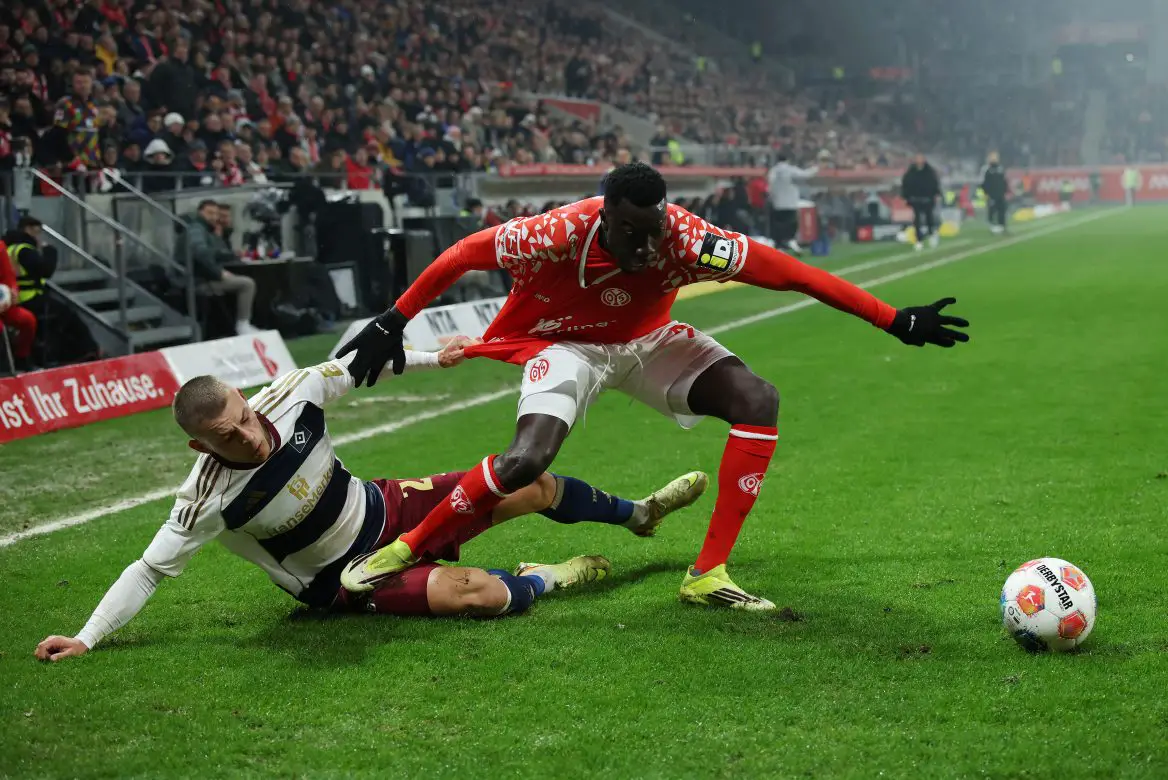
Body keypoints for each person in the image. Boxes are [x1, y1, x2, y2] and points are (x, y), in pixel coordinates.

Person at [335, 162, 971, 610]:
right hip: (570, 345)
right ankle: (405, 548)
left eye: (654, 230)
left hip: (647, 344)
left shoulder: (691, 240)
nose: (646, 247)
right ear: (604, 213)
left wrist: (893, 320)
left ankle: (707, 573)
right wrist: (394, 319)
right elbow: (463, 253)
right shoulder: (559, 231)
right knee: (527, 459)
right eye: (632, 232)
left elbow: (794, 274)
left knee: (758, 400)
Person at [34, 339, 706, 661]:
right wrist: (88, 637)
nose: (247, 433)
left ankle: (640, 515)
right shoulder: (208, 497)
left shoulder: (288, 395)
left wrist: (428, 358)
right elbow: (149, 569)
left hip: (388, 506)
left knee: (527, 482)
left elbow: (355, 367)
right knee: (482, 595)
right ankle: (545, 577)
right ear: (199, 448)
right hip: (342, 578)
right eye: (226, 435)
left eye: (242, 415)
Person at [4, 216, 101, 366]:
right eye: (36, 232)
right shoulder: (24, 250)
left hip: (20, 297)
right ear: (28, 229)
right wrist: (50, 251)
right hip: (30, 297)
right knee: (67, 315)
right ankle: (87, 351)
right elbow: (45, 270)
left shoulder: (10, 249)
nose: (38, 237)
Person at [184, 199, 258, 334]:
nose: (213, 217)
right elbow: (201, 254)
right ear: (200, 212)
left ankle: (239, 325)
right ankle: (243, 326)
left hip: (202, 277)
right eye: (209, 213)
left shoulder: (205, 230)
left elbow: (214, 253)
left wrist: (232, 255)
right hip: (197, 280)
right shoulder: (196, 229)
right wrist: (219, 273)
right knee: (247, 284)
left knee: (241, 280)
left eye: (215, 214)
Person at [766, 153, 818, 254]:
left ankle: (781, 246)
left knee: (780, 225)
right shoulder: (790, 169)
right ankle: (790, 241)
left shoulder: (773, 171)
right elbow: (806, 175)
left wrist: (772, 197)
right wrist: (816, 167)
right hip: (790, 203)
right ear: (787, 160)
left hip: (778, 204)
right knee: (792, 224)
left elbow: (769, 186)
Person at [0, 237, 36, 371]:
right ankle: (4, 368)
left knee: (28, 320)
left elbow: (9, 276)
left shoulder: (0, 247)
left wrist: (13, 291)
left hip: (3, 303)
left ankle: (22, 357)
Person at [901, 154, 941, 251]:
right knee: (917, 221)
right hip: (915, 199)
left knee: (929, 218)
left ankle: (931, 235)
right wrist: (906, 196)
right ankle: (919, 240)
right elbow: (906, 184)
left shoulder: (929, 171)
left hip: (928, 198)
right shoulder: (911, 172)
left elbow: (934, 183)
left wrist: (935, 194)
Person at [980, 152, 1008, 234]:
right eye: (993, 157)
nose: (994, 159)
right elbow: (984, 183)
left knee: (1002, 210)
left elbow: (1004, 181)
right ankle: (992, 226)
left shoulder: (1001, 169)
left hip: (1000, 194)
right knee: (992, 210)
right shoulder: (987, 169)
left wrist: (1005, 191)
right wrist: (986, 193)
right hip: (991, 195)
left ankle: (1002, 226)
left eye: (996, 157)